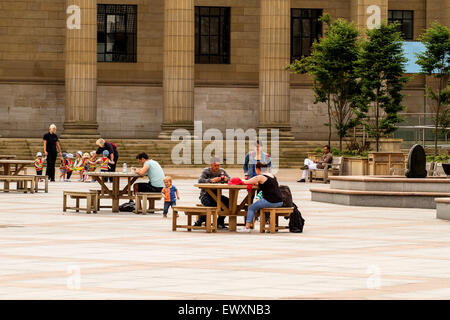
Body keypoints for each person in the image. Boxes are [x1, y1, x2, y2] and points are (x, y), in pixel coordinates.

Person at [238, 162, 284, 232]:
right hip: (279, 201)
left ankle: (247, 227)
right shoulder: (272, 176)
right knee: (264, 205)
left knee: (251, 207)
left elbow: (246, 182)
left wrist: (240, 180)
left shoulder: (260, 177)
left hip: (270, 201)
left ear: (257, 169)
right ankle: (270, 225)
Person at [194, 157, 230, 228]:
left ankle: (219, 221)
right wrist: (211, 180)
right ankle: (200, 221)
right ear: (211, 165)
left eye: (218, 165)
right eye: (215, 165)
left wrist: (227, 179)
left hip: (217, 196)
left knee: (228, 202)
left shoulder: (222, 171)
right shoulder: (206, 171)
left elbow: (230, 179)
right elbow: (200, 181)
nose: (217, 167)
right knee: (212, 206)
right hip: (205, 195)